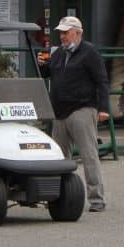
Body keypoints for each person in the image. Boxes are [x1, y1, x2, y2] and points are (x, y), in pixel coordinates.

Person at [44, 16, 110, 212]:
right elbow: (49, 73)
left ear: (77, 33)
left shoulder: (89, 53)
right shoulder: (58, 54)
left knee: (89, 155)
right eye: (61, 33)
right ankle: (58, 197)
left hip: (82, 109)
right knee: (58, 157)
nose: (62, 36)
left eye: (66, 32)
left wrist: (104, 108)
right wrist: (42, 66)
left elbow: (102, 81)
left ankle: (96, 198)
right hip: (59, 112)